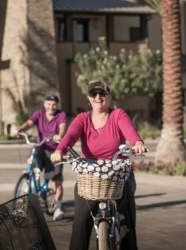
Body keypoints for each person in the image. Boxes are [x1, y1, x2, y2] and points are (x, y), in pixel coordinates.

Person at [50, 79, 149, 250]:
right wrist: (60, 150)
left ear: (108, 96)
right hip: (91, 177)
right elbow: (69, 137)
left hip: (118, 174)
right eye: (93, 94)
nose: (98, 97)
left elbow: (129, 130)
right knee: (80, 223)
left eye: (102, 93)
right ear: (88, 98)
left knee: (126, 223)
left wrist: (137, 142)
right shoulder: (82, 119)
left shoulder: (118, 115)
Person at [15, 94, 67, 221]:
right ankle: (29, 181)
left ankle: (58, 207)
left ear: (57, 105)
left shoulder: (61, 115)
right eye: (49, 104)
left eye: (54, 104)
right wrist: (20, 129)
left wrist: (59, 135)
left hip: (55, 150)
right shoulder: (39, 114)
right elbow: (29, 123)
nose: (51, 106)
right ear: (45, 104)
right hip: (40, 147)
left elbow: (62, 128)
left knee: (57, 181)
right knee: (31, 159)